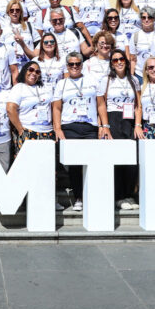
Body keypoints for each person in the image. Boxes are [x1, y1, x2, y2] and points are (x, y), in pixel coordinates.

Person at [52, 51, 112, 210]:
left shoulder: (92, 80)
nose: (74, 67)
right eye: (71, 64)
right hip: (70, 126)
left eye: (77, 64)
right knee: (75, 164)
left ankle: (92, 195)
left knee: (92, 162)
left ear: (81, 65)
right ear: (67, 66)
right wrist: (57, 128)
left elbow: (100, 104)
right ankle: (78, 196)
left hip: (89, 127)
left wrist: (104, 126)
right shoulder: (61, 84)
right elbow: (57, 108)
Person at [100, 49, 140, 208]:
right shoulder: (107, 80)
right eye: (115, 60)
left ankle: (129, 194)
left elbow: (138, 105)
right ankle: (118, 196)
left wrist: (138, 124)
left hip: (129, 120)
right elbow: (101, 104)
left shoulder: (134, 80)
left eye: (121, 59)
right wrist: (105, 126)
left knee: (131, 159)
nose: (119, 62)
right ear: (111, 63)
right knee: (116, 158)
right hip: (113, 118)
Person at [7, 60, 54, 151]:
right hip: (28, 131)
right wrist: (21, 130)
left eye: (37, 72)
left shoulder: (45, 88)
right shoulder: (18, 87)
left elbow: (53, 107)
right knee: (27, 164)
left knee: (46, 163)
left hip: (47, 132)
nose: (34, 73)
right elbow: (10, 109)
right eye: (31, 70)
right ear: (24, 70)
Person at [3, 0, 37, 68]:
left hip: (28, 67)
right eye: (11, 10)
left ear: (21, 12)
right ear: (8, 12)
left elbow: (38, 46)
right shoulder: (3, 29)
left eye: (17, 10)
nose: (14, 12)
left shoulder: (30, 26)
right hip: (12, 69)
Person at [128, 7, 155, 78]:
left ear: (154, 19)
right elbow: (133, 59)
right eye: (143, 17)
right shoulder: (135, 36)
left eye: (150, 17)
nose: (146, 20)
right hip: (140, 74)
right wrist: (132, 76)